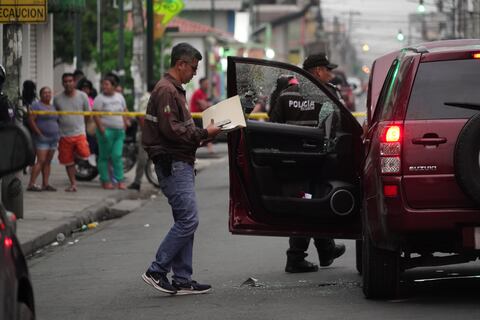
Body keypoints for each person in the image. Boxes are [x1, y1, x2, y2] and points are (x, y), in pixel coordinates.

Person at [141, 42, 221, 295]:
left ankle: (182, 279)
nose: (195, 73)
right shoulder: (167, 91)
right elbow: (172, 130)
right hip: (173, 163)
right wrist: (204, 133)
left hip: (180, 161)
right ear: (181, 64)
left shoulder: (174, 90)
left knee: (185, 220)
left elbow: (177, 126)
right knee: (188, 220)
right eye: (194, 68)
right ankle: (157, 270)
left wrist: (202, 131)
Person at [270, 53, 346, 273]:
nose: (330, 74)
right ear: (317, 71)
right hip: (318, 161)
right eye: (327, 70)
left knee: (308, 201)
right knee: (311, 204)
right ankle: (295, 257)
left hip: (293, 161)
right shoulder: (326, 95)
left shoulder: (286, 95)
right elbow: (338, 125)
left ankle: (326, 249)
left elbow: (274, 126)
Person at [53, 72, 91, 192]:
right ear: (63, 83)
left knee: (84, 154)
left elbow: (88, 114)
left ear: (74, 82)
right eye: (66, 81)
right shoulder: (57, 98)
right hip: (64, 134)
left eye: (70, 81)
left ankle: (76, 160)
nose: (68, 83)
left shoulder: (82, 96)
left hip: (79, 133)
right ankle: (73, 184)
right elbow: (56, 116)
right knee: (68, 161)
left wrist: (83, 125)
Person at [93, 75, 128, 190]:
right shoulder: (99, 98)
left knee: (117, 155)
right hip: (105, 131)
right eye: (103, 84)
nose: (104, 86)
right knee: (104, 156)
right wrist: (101, 128)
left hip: (119, 132)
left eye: (107, 84)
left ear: (113, 86)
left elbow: (124, 110)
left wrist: (125, 123)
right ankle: (105, 180)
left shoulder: (119, 97)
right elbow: (95, 114)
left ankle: (120, 180)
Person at [27, 87, 59, 192]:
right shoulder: (36, 105)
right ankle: (31, 184)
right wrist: (39, 133)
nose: (47, 94)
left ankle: (45, 184)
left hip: (53, 138)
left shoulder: (52, 106)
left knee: (48, 162)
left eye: (49, 93)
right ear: (40, 94)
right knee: (41, 161)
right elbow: (31, 121)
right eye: (45, 93)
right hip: (42, 138)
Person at [128, 82, 155, 191]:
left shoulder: (151, 99)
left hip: (151, 132)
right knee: (142, 157)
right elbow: (142, 117)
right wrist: (147, 132)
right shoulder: (146, 99)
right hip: (146, 133)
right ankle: (137, 181)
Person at [190, 77, 214, 154]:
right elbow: (204, 105)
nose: (207, 85)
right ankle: (209, 147)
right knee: (207, 128)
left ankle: (207, 146)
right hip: (195, 117)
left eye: (207, 84)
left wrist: (207, 104)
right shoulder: (198, 92)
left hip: (201, 116)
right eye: (205, 84)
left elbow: (207, 105)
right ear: (201, 84)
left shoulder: (204, 93)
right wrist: (207, 104)